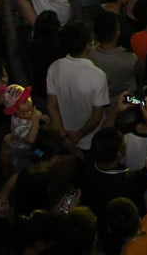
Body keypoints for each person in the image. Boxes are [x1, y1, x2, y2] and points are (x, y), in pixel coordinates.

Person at [46, 21, 110, 155]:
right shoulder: (98, 75)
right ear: (89, 44)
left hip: (65, 136)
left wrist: (65, 137)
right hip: (90, 141)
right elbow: (96, 118)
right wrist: (77, 135)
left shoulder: (54, 67)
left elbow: (52, 106)